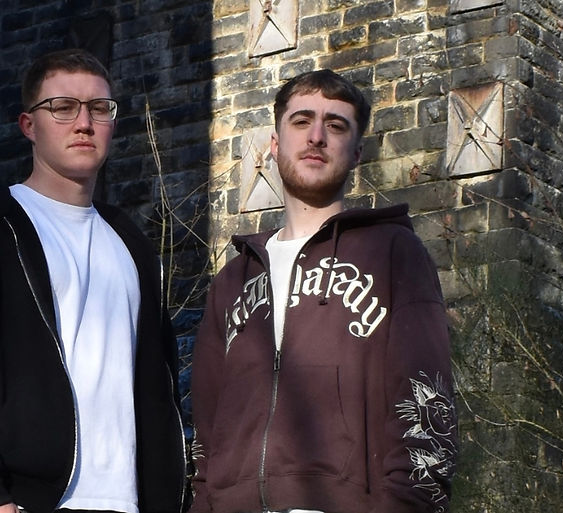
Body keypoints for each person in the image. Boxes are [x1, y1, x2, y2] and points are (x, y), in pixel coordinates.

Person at [0, 48, 187, 513]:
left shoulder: (134, 245)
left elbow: (160, 384)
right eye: (63, 107)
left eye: (99, 109)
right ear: (28, 125)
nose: (84, 123)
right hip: (14, 502)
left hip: (126, 503)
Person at [189, 70, 457, 513]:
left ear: (356, 154)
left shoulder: (393, 254)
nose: (316, 136)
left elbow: (427, 407)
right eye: (301, 122)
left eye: (335, 125)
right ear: (274, 145)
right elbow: (205, 433)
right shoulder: (233, 281)